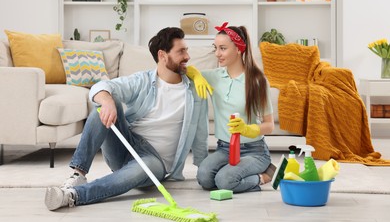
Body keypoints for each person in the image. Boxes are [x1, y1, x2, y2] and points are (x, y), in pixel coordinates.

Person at [45, 27, 209, 211]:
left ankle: (73, 196)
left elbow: (201, 133)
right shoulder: (143, 80)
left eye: (186, 50)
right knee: (106, 99)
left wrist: (204, 170)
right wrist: (107, 102)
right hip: (126, 145)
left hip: (155, 161)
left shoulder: (195, 90)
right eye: (181, 51)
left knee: (143, 165)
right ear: (163, 55)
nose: (187, 56)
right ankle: (78, 174)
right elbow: (100, 86)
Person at [187, 22, 275, 193]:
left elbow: (269, 125)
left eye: (223, 48)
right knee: (204, 177)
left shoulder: (257, 81)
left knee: (224, 181)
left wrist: (247, 129)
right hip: (224, 148)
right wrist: (196, 75)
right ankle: (233, 171)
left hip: (253, 150)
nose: (217, 54)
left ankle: (265, 175)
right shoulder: (215, 76)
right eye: (215, 48)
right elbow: (185, 70)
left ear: (238, 49)